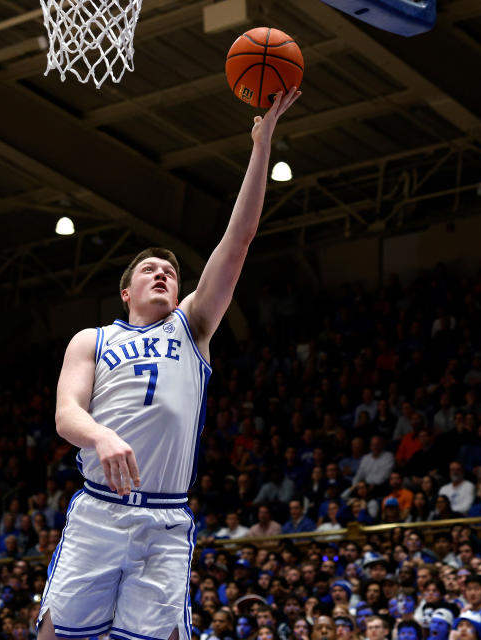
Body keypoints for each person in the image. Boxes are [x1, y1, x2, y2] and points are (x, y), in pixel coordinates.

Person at [39, 87, 301, 640]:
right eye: (149, 271)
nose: (162, 275)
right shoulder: (93, 338)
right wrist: (101, 437)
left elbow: (239, 241)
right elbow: (66, 415)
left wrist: (261, 146)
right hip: (100, 509)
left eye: (171, 272)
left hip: (164, 518)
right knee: (55, 634)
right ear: (126, 292)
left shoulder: (192, 326)